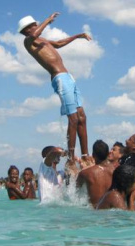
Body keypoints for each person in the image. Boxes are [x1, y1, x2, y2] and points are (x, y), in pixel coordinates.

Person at [18, 12, 92, 161]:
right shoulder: (28, 41)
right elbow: (35, 34)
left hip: (69, 77)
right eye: (34, 25)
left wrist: (77, 36)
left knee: (82, 117)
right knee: (73, 118)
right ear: (27, 29)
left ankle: (85, 156)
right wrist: (47, 20)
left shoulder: (42, 39)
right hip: (60, 78)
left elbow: (58, 44)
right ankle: (71, 159)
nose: (37, 26)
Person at [76, 140, 114, 208]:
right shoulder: (116, 171)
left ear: (93, 155)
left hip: (94, 211)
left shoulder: (85, 173)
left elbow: (75, 192)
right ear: (108, 154)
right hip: (112, 212)